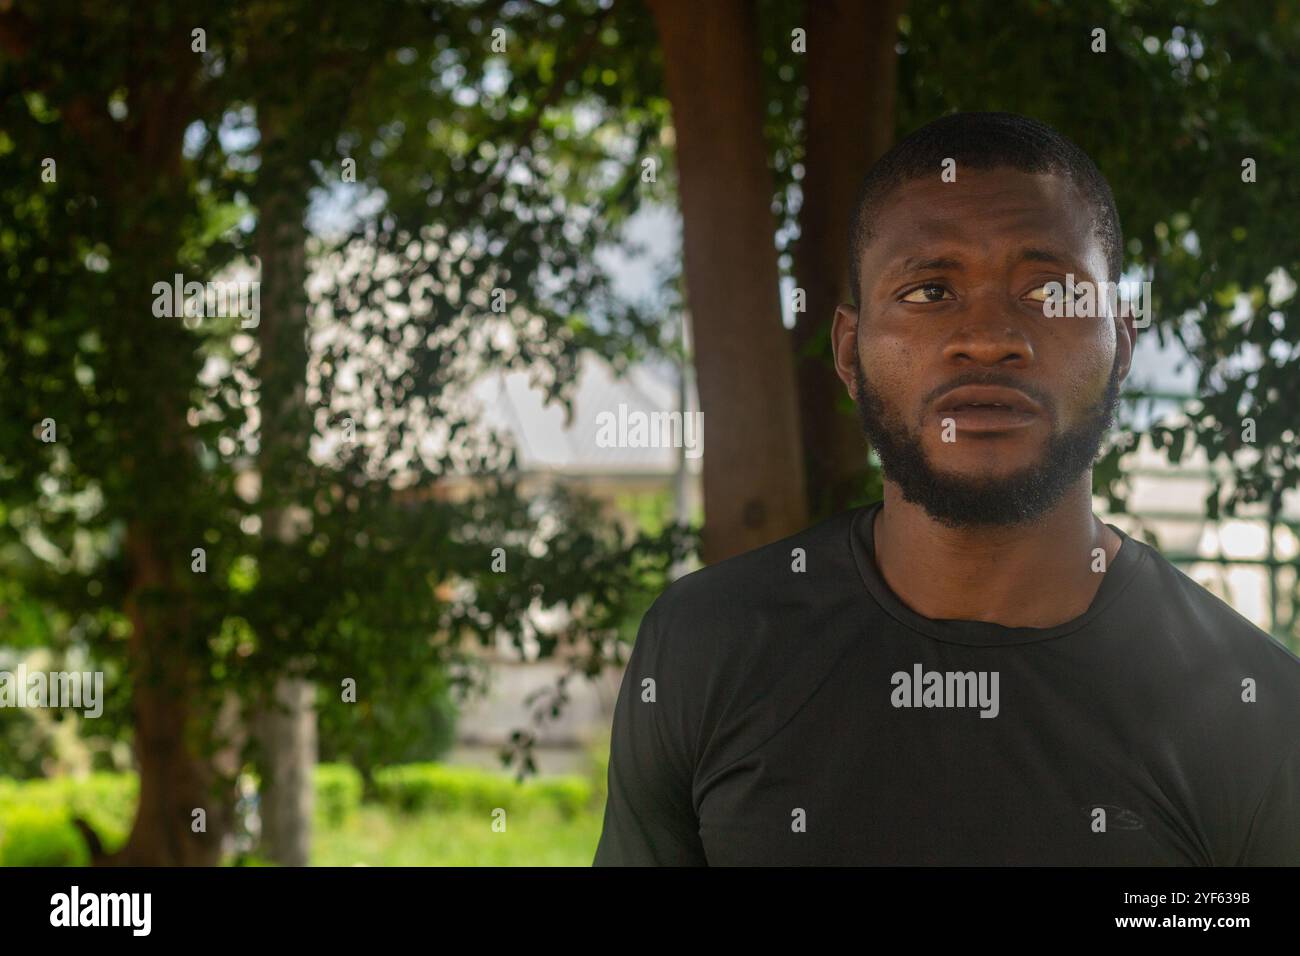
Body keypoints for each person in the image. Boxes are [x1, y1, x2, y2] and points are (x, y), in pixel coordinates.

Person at [593, 112, 1300, 865]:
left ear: (1121, 344)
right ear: (848, 351)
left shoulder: (1254, 709)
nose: (990, 337)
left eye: (1051, 293)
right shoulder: (705, 646)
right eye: (930, 291)